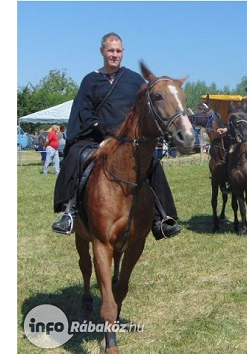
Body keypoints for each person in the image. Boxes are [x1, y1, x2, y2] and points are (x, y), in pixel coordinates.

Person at [51, 32, 181, 239]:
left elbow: (146, 108)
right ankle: (70, 212)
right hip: (95, 138)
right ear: (102, 51)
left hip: (128, 142)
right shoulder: (90, 80)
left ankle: (162, 218)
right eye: (110, 50)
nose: (114, 54)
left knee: (153, 165)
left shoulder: (134, 80)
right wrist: (100, 128)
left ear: (123, 52)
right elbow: (82, 110)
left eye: (118, 51)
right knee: (77, 157)